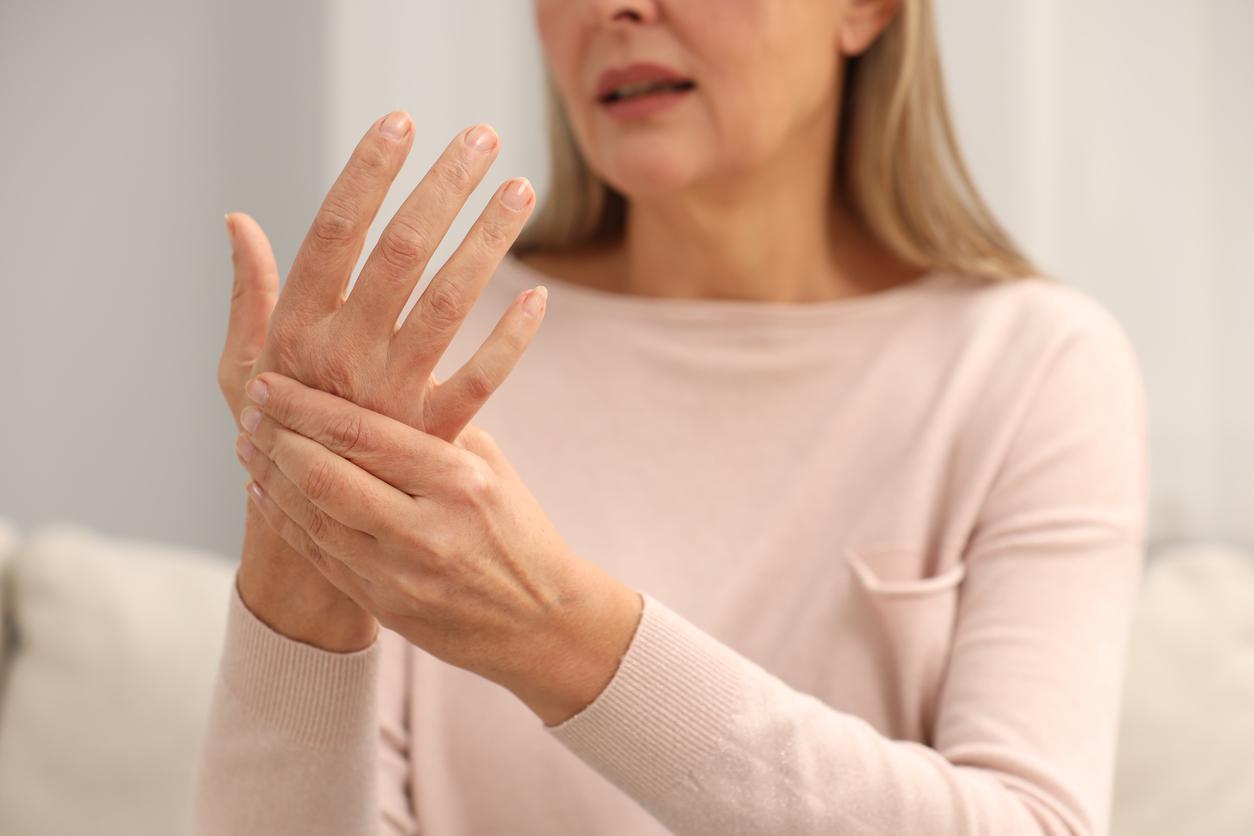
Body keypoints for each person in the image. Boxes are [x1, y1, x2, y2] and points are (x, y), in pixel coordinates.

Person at [195, 1, 1149, 834]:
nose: (612, 8)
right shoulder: (421, 357)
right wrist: (297, 545)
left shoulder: (1031, 365)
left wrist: (554, 630)